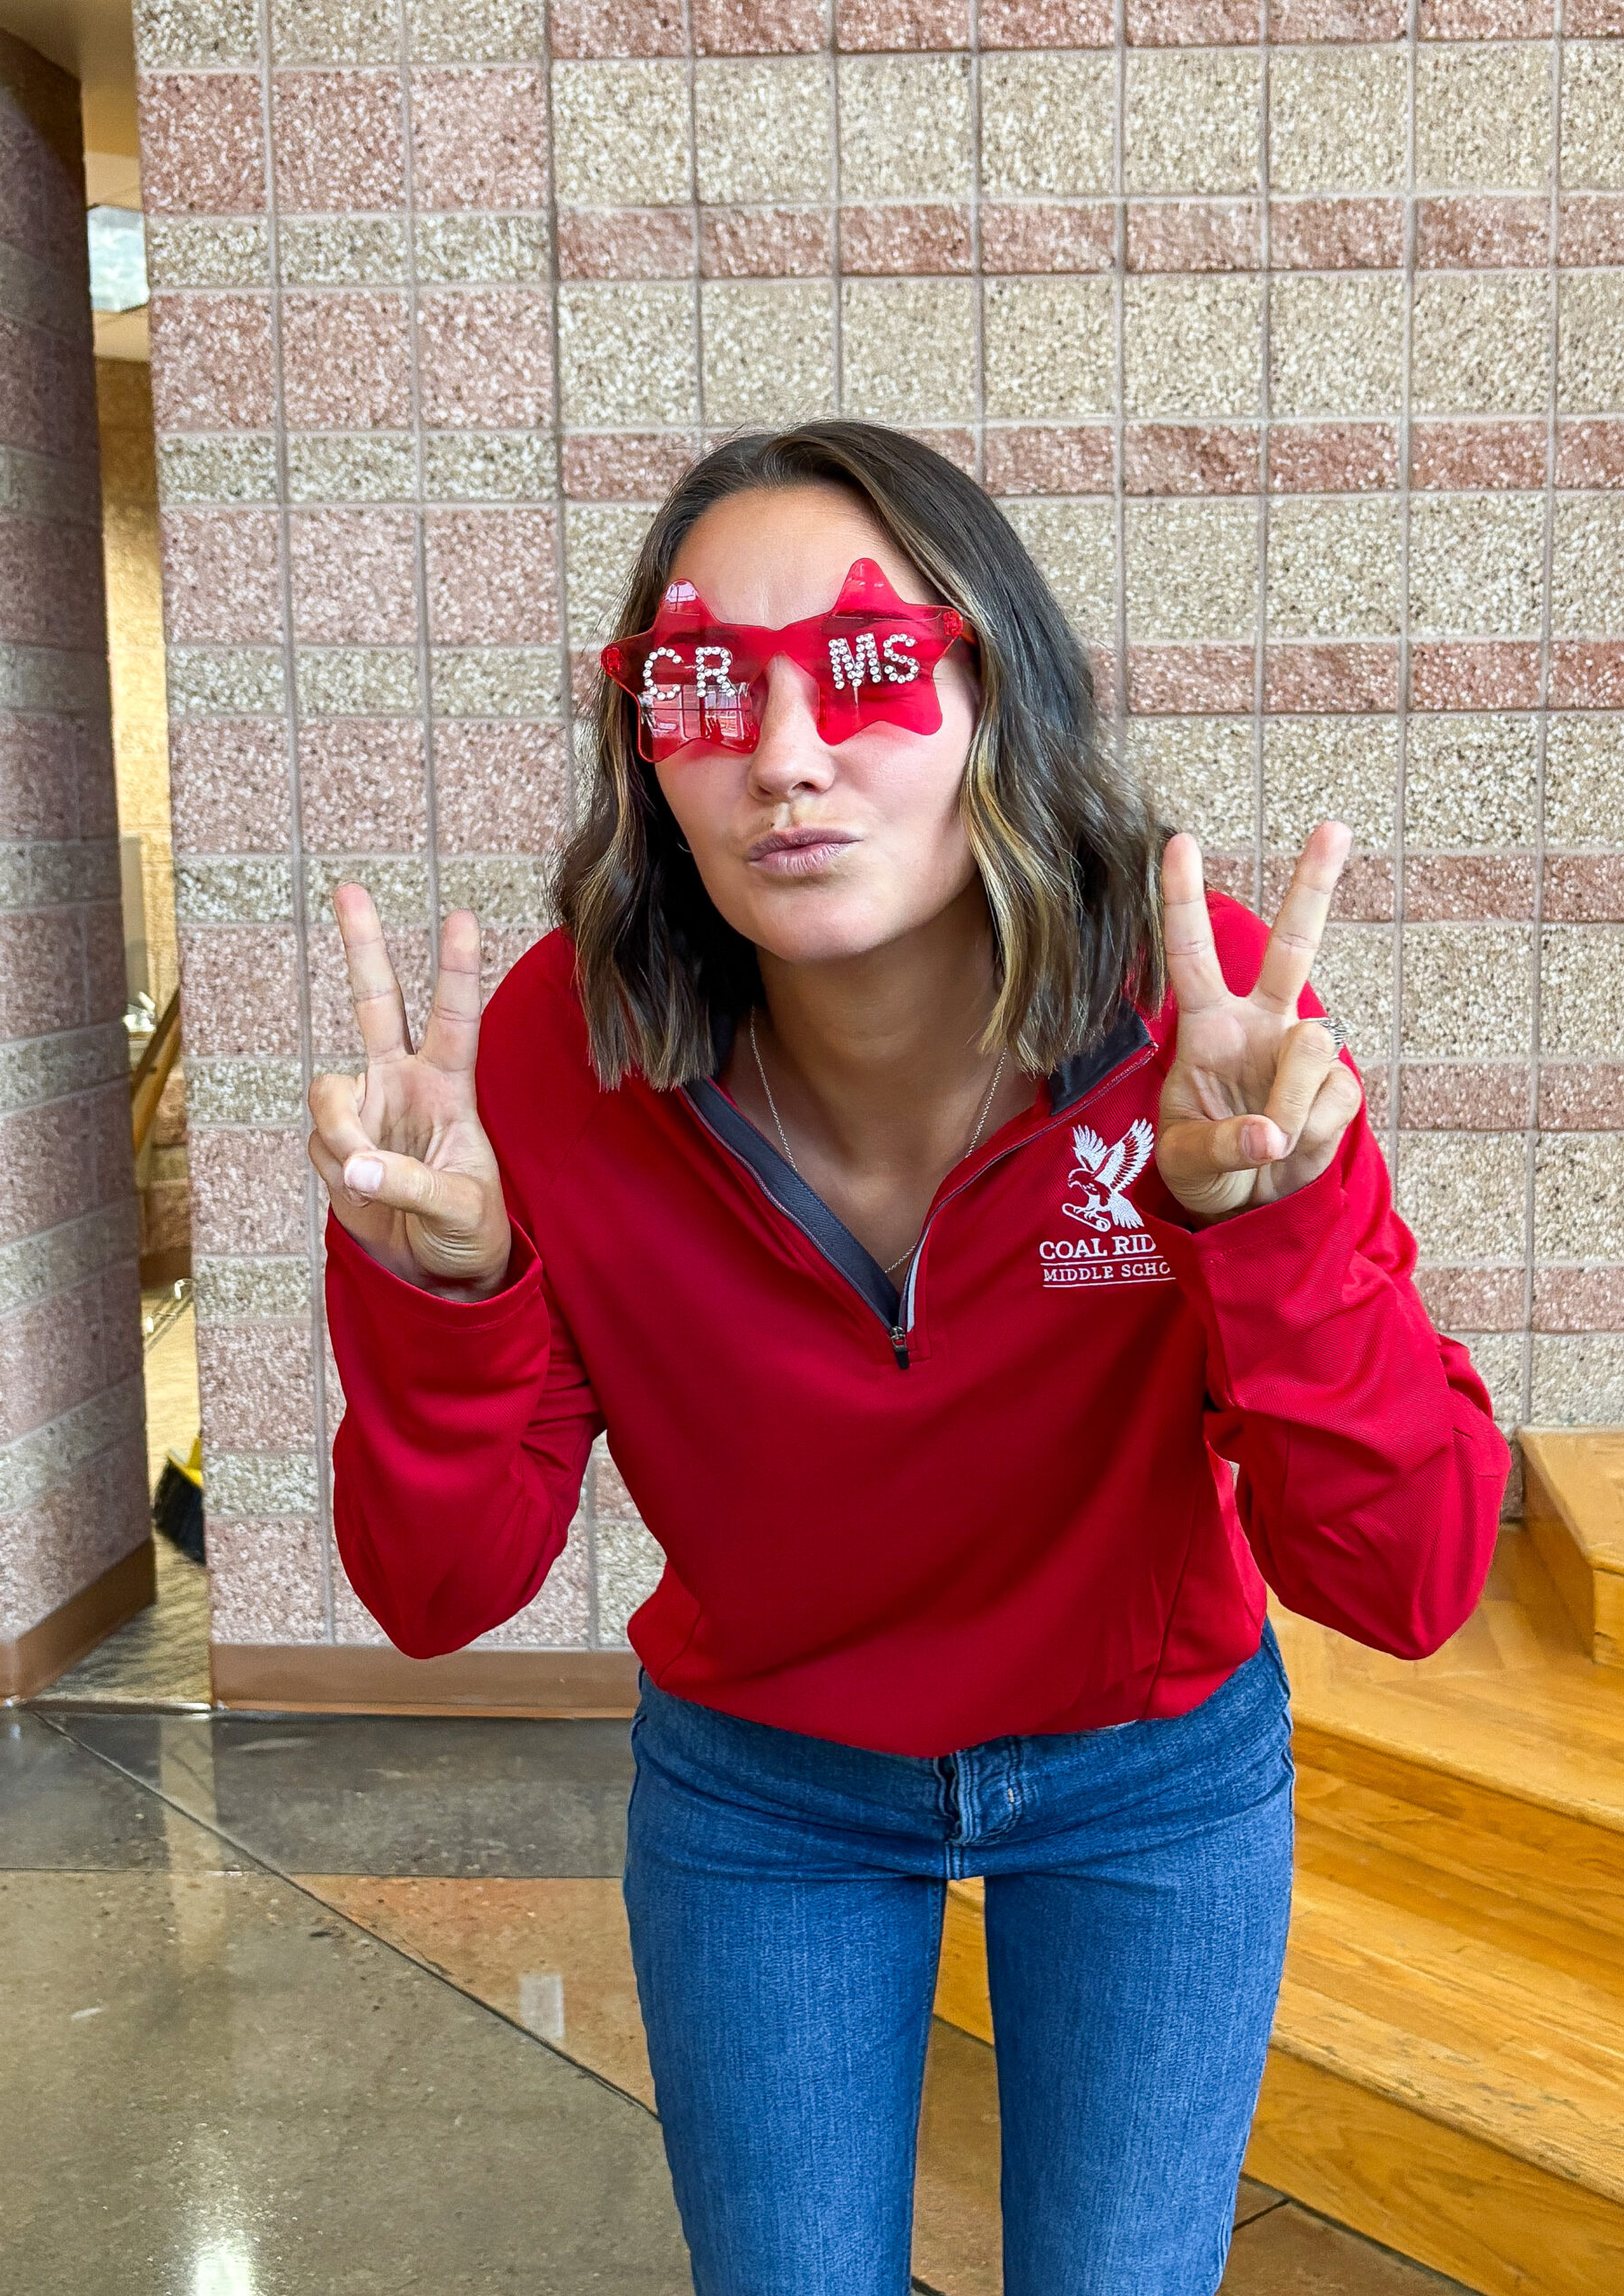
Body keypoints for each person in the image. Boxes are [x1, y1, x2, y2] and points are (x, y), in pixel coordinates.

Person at [307, 422, 1509, 2296]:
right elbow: (438, 1589)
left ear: (994, 697)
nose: (785, 754)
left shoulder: (1191, 1020)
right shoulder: (564, 1051)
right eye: (705, 683)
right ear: (648, 746)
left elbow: (1411, 1574)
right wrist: (447, 1293)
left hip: (1150, 1772)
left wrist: (1273, 1225)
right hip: (766, 1785)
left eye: (866, 664)